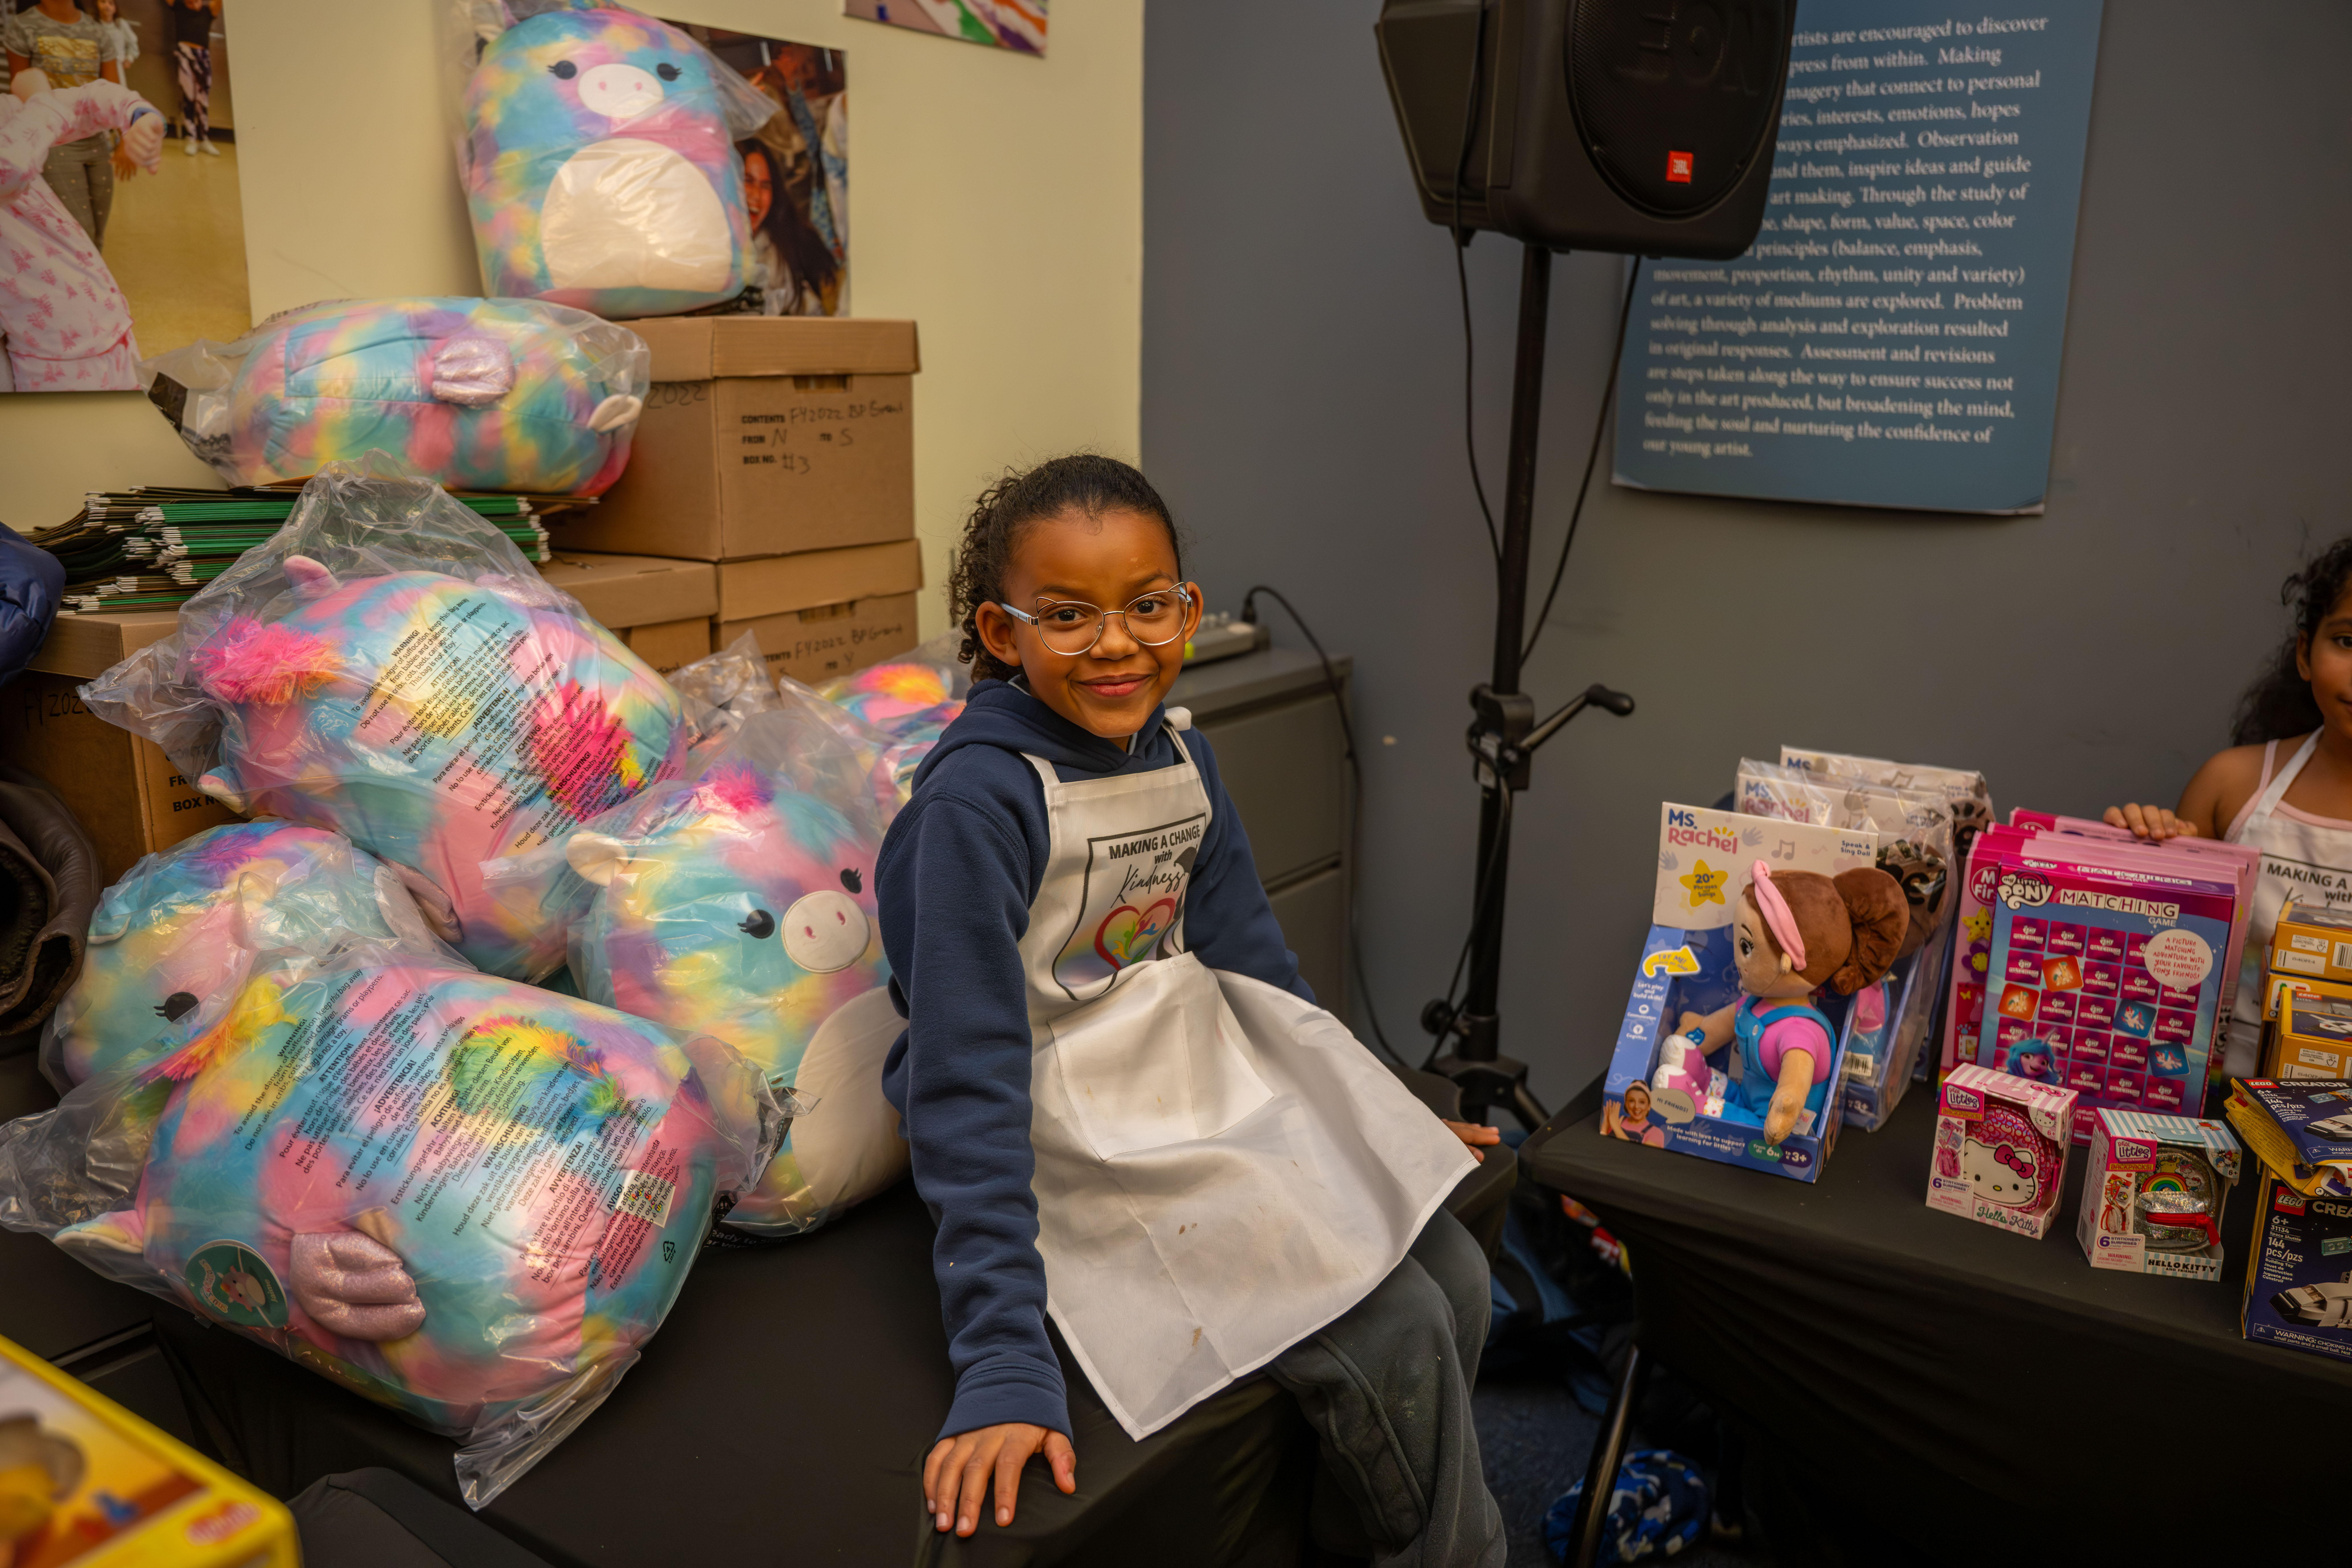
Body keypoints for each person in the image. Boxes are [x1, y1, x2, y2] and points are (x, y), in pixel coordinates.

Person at [881, 455, 1505, 1563]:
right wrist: (1002, 1360)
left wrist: (1377, 1125)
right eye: (1067, 615)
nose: (1117, 642)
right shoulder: (975, 807)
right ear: (1000, 628)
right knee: (1398, 1325)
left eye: (1146, 605)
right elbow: (965, 1072)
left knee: (1454, 1268)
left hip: (1180, 1077)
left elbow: (1256, 966)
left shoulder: (1184, 754)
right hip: (1066, 1119)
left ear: (1188, 610)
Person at [2104, 538, 2352, 1076]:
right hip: (2209, 1093)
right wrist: (2138, 852)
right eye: (2348, 640)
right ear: (2305, 655)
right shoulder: (2231, 782)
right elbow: (2160, 947)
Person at [0, 67, 160, 391]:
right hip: (50, 352)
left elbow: (84, 101)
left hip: (98, 322)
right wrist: (41, 98)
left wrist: (140, 115)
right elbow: (11, 167)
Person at [2, 0, 121, 244]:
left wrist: (127, 137)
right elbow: (23, 90)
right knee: (80, 234)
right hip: (55, 144)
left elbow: (112, 93)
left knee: (98, 234)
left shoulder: (96, 30)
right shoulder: (24, 26)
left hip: (97, 143)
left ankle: (92, 282)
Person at [736, 136, 834, 317]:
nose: (756, 195)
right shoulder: (709, 251)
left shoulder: (786, 254)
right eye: (748, 180)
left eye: (766, 185)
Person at [168, 0, 215, 156]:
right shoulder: (180, 6)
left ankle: (205, 139)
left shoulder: (208, 11)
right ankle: (191, 139)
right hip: (185, 55)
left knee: (203, 99)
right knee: (188, 97)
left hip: (204, 58)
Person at [1601, 1080, 1667, 1146]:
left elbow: (1638, 1153)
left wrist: (1617, 1128)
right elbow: (1602, 1145)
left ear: (1649, 1106)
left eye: (1642, 1102)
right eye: (1632, 1101)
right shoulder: (1616, 1121)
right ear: (1626, 1104)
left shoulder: (1656, 1133)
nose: (1637, 1107)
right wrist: (1605, 1125)